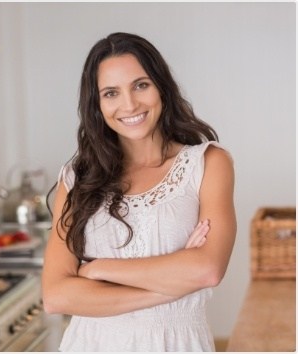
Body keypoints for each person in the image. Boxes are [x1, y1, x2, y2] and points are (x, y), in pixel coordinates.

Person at [42, 32, 237, 352]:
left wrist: (98, 269)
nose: (129, 104)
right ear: (97, 104)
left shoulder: (208, 164)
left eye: (140, 85)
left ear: (161, 86)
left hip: (177, 343)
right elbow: (57, 296)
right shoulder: (78, 178)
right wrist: (169, 288)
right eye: (111, 93)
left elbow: (207, 269)